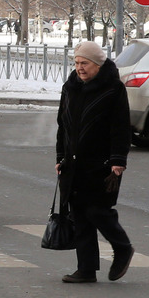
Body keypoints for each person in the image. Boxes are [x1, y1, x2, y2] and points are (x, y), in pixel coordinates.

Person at [55, 40, 134, 283]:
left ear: (98, 65)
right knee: (79, 215)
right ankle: (86, 270)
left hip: (102, 163)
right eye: (77, 63)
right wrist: (60, 157)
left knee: (97, 210)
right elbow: (63, 126)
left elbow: (121, 127)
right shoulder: (70, 87)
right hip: (74, 162)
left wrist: (118, 160)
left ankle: (122, 247)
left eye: (84, 63)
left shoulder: (113, 89)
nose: (79, 68)